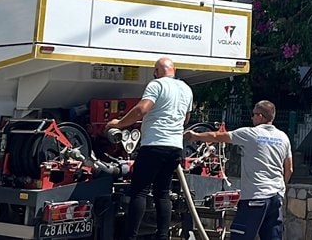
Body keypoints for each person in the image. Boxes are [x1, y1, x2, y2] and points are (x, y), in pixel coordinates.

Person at [106, 57, 194, 240]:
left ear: (156, 71)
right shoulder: (186, 89)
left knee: (140, 191)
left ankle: (130, 237)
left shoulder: (157, 85)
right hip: (175, 147)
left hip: (154, 145)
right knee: (162, 193)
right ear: (174, 70)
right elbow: (185, 119)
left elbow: (141, 110)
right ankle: (163, 236)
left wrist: (119, 124)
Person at [186, 100, 292, 240]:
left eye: (253, 114)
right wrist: (281, 188)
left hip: (255, 197)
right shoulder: (283, 138)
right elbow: (289, 168)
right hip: (276, 198)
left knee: (240, 236)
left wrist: (194, 136)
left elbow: (218, 136)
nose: (251, 118)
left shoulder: (250, 133)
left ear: (260, 116)